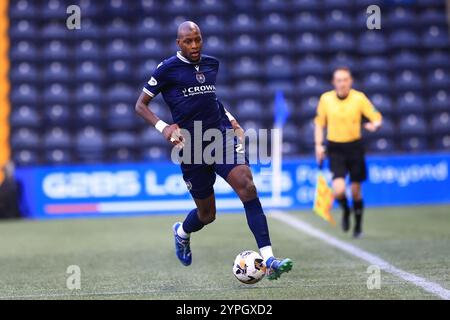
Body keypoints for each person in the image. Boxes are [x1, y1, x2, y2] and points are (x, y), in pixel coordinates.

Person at [135, 21, 292, 280]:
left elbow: (211, 99)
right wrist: (163, 127)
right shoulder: (166, 69)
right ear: (179, 43)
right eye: (188, 41)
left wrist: (230, 119)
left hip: (219, 139)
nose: (195, 45)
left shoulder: (211, 64)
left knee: (247, 185)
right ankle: (182, 233)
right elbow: (140, 105)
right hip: (191, 148)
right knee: (207, 215)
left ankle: (269, 258)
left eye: (198, 39)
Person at [314, 67, 382, 238]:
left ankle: (358, 227)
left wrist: (375, 125)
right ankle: (345, 210)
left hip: (355, 148)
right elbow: (319, 124)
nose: (342, 83)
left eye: (345, 80)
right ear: (333, 82)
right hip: (335, 148)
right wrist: (318, 145)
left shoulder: (359, 98)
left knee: (356, 191)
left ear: (350, 81)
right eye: (339, 80)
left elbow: (376, 116)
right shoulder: (326, 99)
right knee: (338, 190)